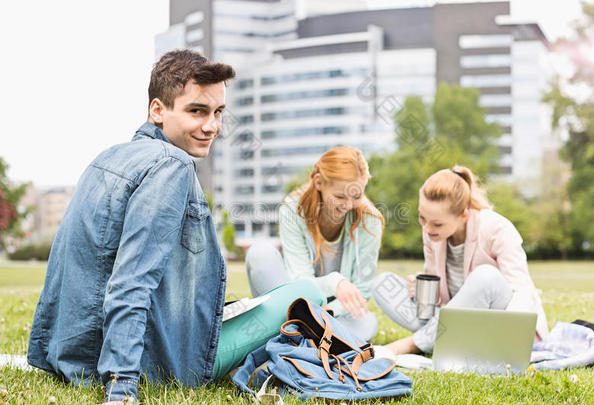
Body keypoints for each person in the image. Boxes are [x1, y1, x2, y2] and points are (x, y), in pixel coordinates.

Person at [27, 50, 239, 404]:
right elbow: (132, 281)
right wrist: (121, 384)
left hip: (72, 359)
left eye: (218, 113)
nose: (212, 126)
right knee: (304, 297)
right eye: (196, 111)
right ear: (158, 110)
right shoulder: (172, 165)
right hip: (142, 365)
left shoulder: (108, 156)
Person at [374, 166, 548, 354]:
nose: (427, 228)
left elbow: (521, 290)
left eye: (437, 223)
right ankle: (444, 338)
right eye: (422, 218)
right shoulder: (432, 234)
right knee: (382, 284)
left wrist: (512, 338)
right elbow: (442, 300)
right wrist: (419, 289)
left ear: (463, 215)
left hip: (497, 321)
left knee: (486, 277)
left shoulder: (497, 228)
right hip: (454, 320)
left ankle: (414, 344)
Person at [246, 146, 384, 341]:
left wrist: (324, 313)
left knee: (367, 323)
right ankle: (302, 334)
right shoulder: (293, 210)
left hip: (334, 315)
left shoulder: (370, 221)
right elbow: (298, 280)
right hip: (294, 302)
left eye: (357, 196)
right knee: (259, 253)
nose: (348, 205)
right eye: (339, 197)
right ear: (318, 182)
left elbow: (361, 290)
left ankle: (294, 335)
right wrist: (334, 282)